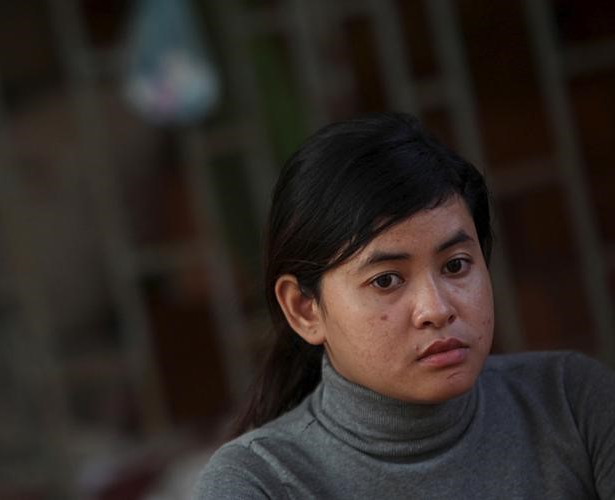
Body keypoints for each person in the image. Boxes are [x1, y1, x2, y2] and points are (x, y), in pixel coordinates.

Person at [192, 113, 615, 499]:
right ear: (305, 308)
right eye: (385, 280)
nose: (436, 309)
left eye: (455, 265)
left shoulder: (573, 405)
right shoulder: (260, 483)